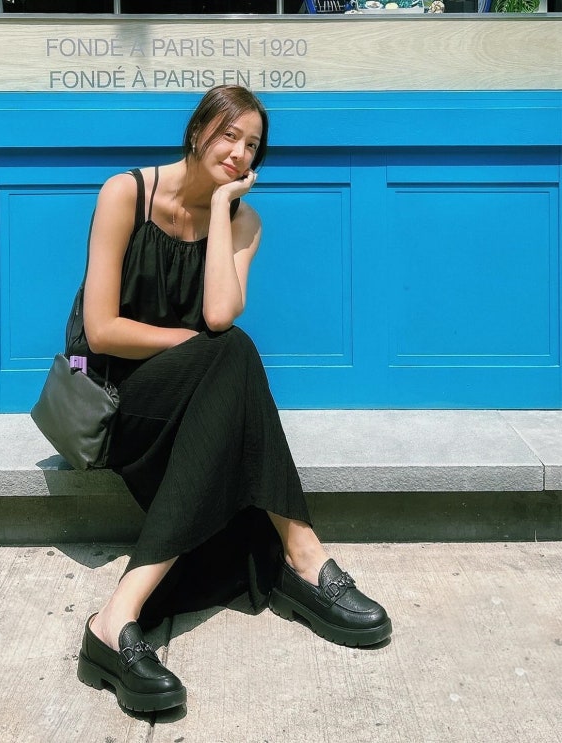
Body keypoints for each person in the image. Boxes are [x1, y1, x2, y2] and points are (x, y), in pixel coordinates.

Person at [74, 85, 391, 713]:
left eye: (252, 145)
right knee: (232, 352)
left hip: (196, 401)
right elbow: (102, 330)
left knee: (230, 348)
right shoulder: (125, 194)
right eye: (228, 135)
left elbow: (219, 313)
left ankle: (116, 619)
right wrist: (190, 344)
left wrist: (221, 208)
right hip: (121, 402)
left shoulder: (244, 222)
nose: (239, 152)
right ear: (197, 131)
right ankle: (304, 558)